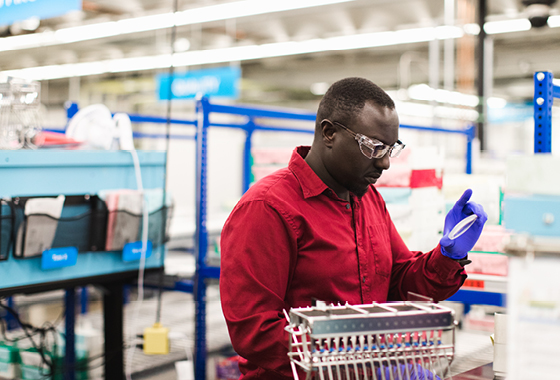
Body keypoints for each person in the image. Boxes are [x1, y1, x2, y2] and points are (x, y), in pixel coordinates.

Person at [220, 77, 487, 380]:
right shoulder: (268, 209)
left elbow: (400, 285)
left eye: (390, 148)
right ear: (329, 132)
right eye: (373, 146)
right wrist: (357, 366)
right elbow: (255, 330)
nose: (385, 163)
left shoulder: (368, 199)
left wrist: (447, 256)